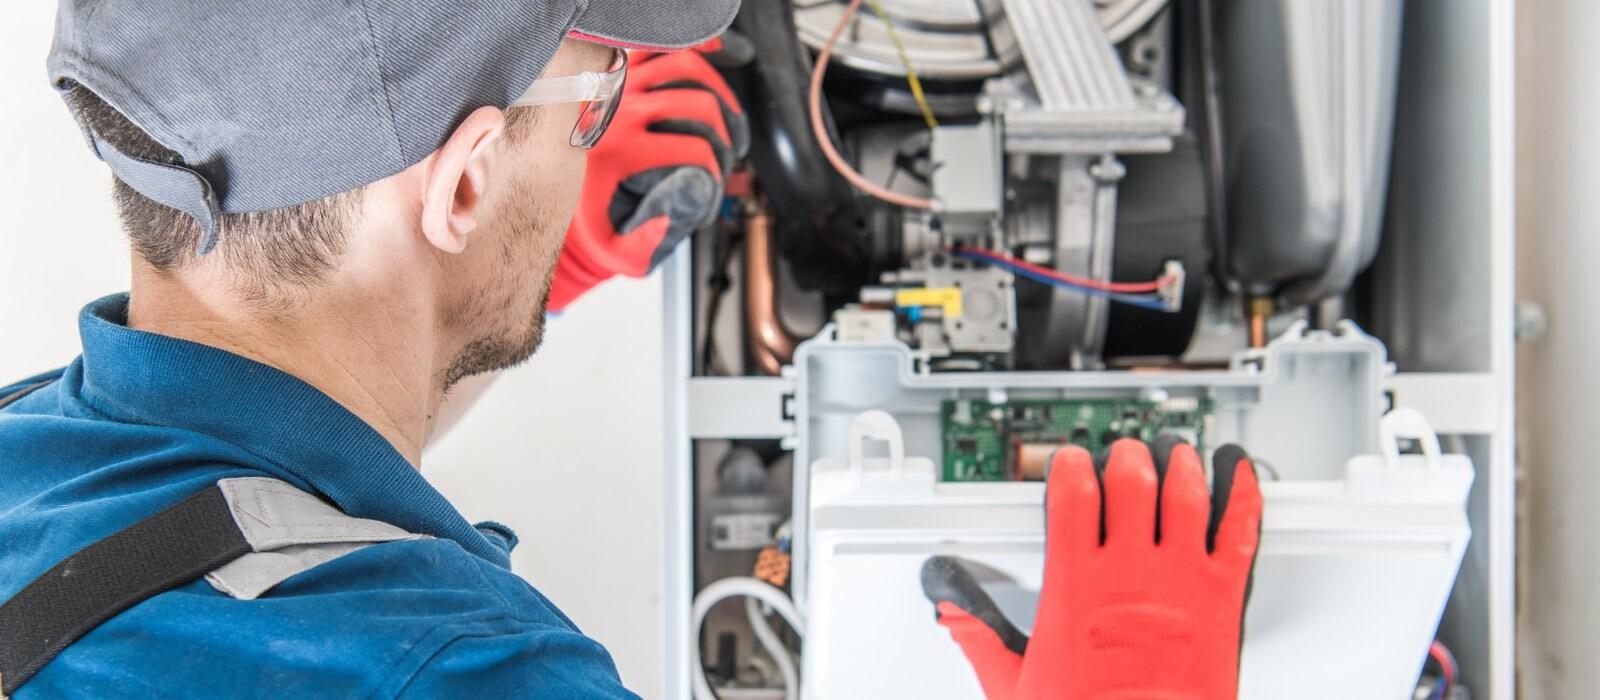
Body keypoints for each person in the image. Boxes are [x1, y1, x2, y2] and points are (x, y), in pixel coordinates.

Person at [0, 1, 1261, 698]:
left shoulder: (30, 461)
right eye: (594, 99)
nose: (604, 133)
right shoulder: (467, 679)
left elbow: (254, 513)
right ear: (463, 184)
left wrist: (510, 273)